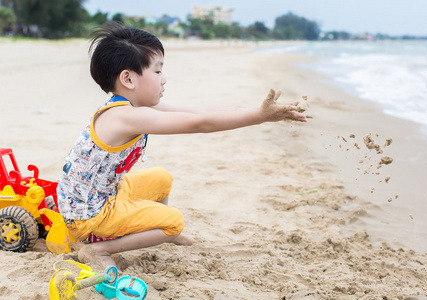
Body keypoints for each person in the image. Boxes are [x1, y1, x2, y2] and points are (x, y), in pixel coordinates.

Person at [57, 22, 307, 268]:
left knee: (162, 179)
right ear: (128, 79)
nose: (164, 79)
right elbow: (199, 124)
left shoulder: (132, 108)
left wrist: (257, 112)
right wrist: (260, 117)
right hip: (88, 217)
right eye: (157, 71)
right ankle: (101, 248)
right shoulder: (126, 116)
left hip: (99, 197)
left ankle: (159, 231)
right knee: (174, 220)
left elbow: (199, 112)